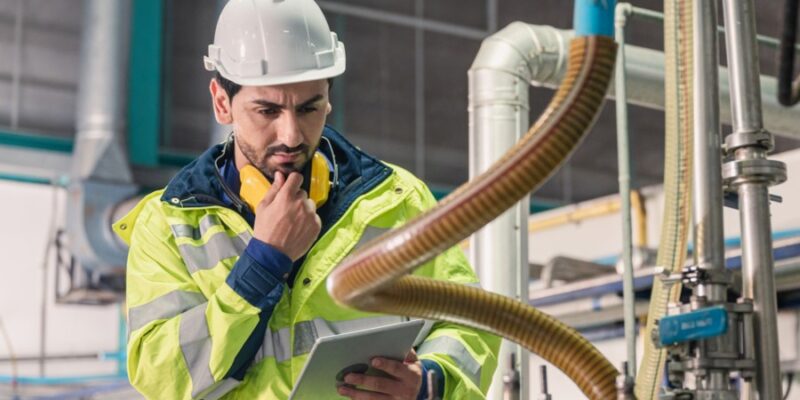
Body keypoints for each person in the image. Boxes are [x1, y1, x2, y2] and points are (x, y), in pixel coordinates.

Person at [114, 0, 499, 399]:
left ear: (328, 98)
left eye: (309, 108)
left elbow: (467, 320)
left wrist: (429, 385)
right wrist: (262, 264)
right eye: (267, 110)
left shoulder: (396, 198)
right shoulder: (169, 226)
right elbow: (162, 377)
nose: (292, 134)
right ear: (221, 101)